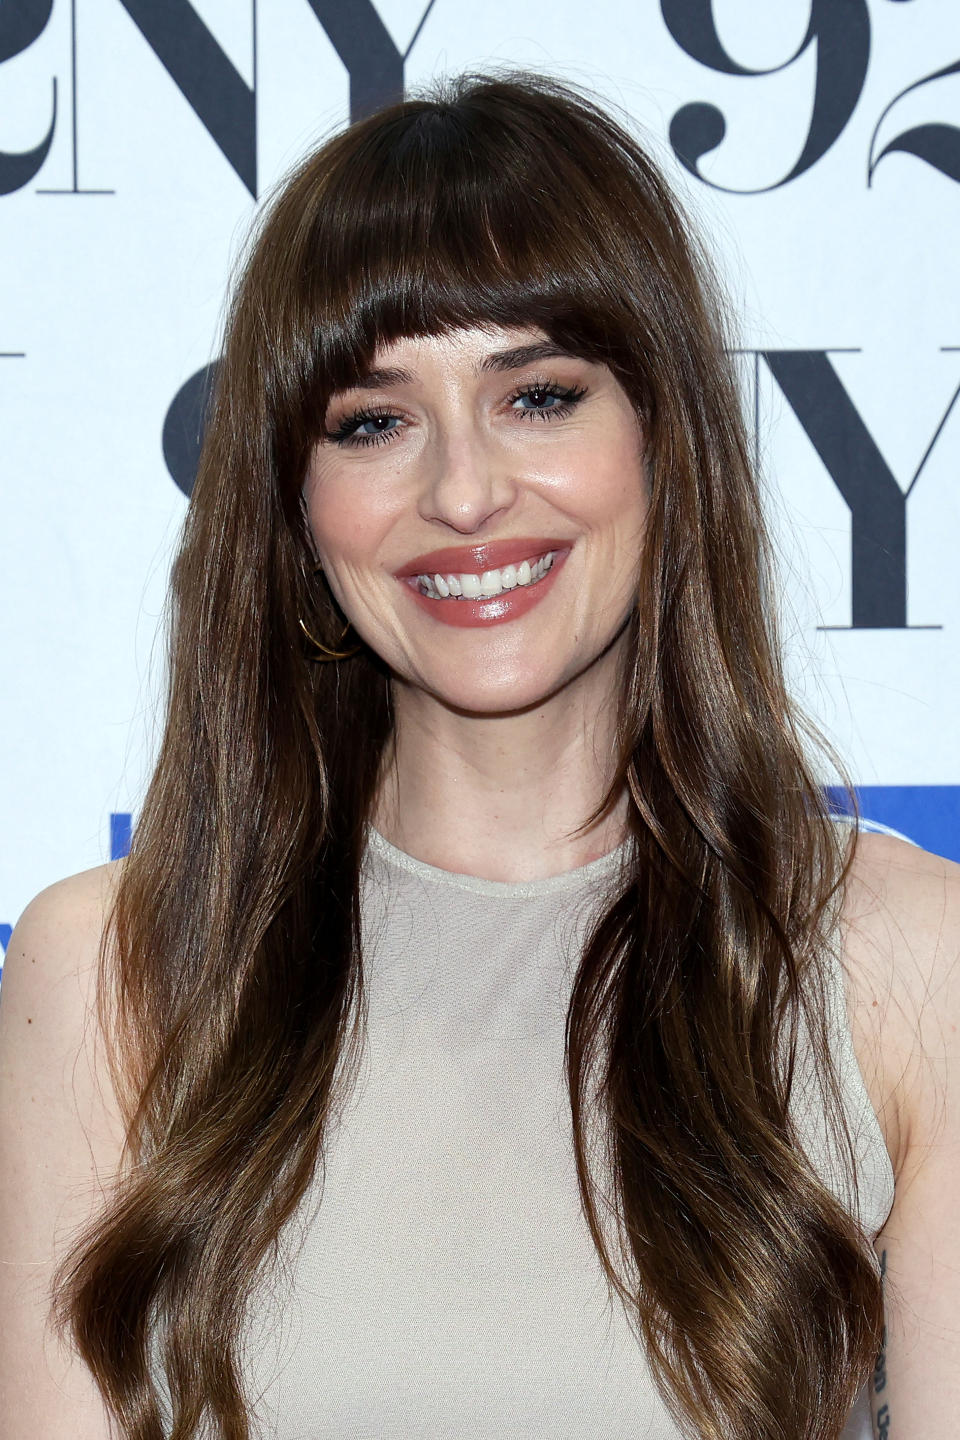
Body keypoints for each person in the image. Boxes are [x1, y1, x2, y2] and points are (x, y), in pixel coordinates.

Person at [1, 68, 957, 1440]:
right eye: (374, 422)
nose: (462, 494)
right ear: (295, 499)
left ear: (665, 437)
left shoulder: (904, 962)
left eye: (540, 396)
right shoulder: (117, 969)